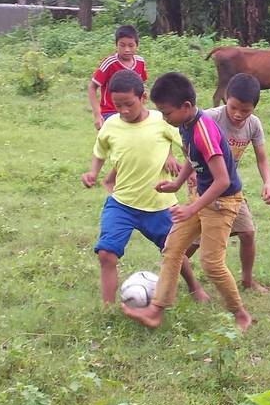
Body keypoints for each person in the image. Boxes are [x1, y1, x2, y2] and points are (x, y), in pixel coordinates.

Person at [122, 73, 254, 331]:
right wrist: (177, 183)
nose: (163, 117)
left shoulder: (203, 131)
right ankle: (156, 311)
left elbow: (222, 180)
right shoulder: (185, 124)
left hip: (221, 202)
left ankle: (240, 314)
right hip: (201, 198)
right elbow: (192, 158)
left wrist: (191, 207)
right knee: (172, 249)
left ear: (185, 107)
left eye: (166, 112)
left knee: (211, 263)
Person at [80, 70, 201, 307]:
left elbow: (188, 146)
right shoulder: (110, 125)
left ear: (143, 97)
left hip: (159, 204)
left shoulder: (162, 121)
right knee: (106, 253)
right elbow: (99, 151)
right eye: (117, 105)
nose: (123, 110)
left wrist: (192, 170)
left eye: (129, 104)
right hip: (122, 204)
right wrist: (93, 172)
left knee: (174, 251)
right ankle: (107, 308)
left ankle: (195, 288)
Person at [187, 73, 270, 293]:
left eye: (245, 110)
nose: (238, 114)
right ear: (226, 98)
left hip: (230, 189)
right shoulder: (208, 118)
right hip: (203, 187)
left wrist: (268, 183)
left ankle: (247, 281)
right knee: (194, 240)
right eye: (233, 107)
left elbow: (262, 158)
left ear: (254, 107)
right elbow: (187, 144)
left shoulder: (254, 125)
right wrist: (189, 169)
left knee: (247, 233)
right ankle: (172, 265)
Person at [88, 25, 147, 131]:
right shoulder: (110, 63)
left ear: (136, 45)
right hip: (110, 112)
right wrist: (97, 114)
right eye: (122, 45)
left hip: (133, 111)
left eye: (131, 45)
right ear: (116, 45)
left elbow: (141, 86)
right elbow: (92, 87)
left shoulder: (140, 62)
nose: (127, 49)